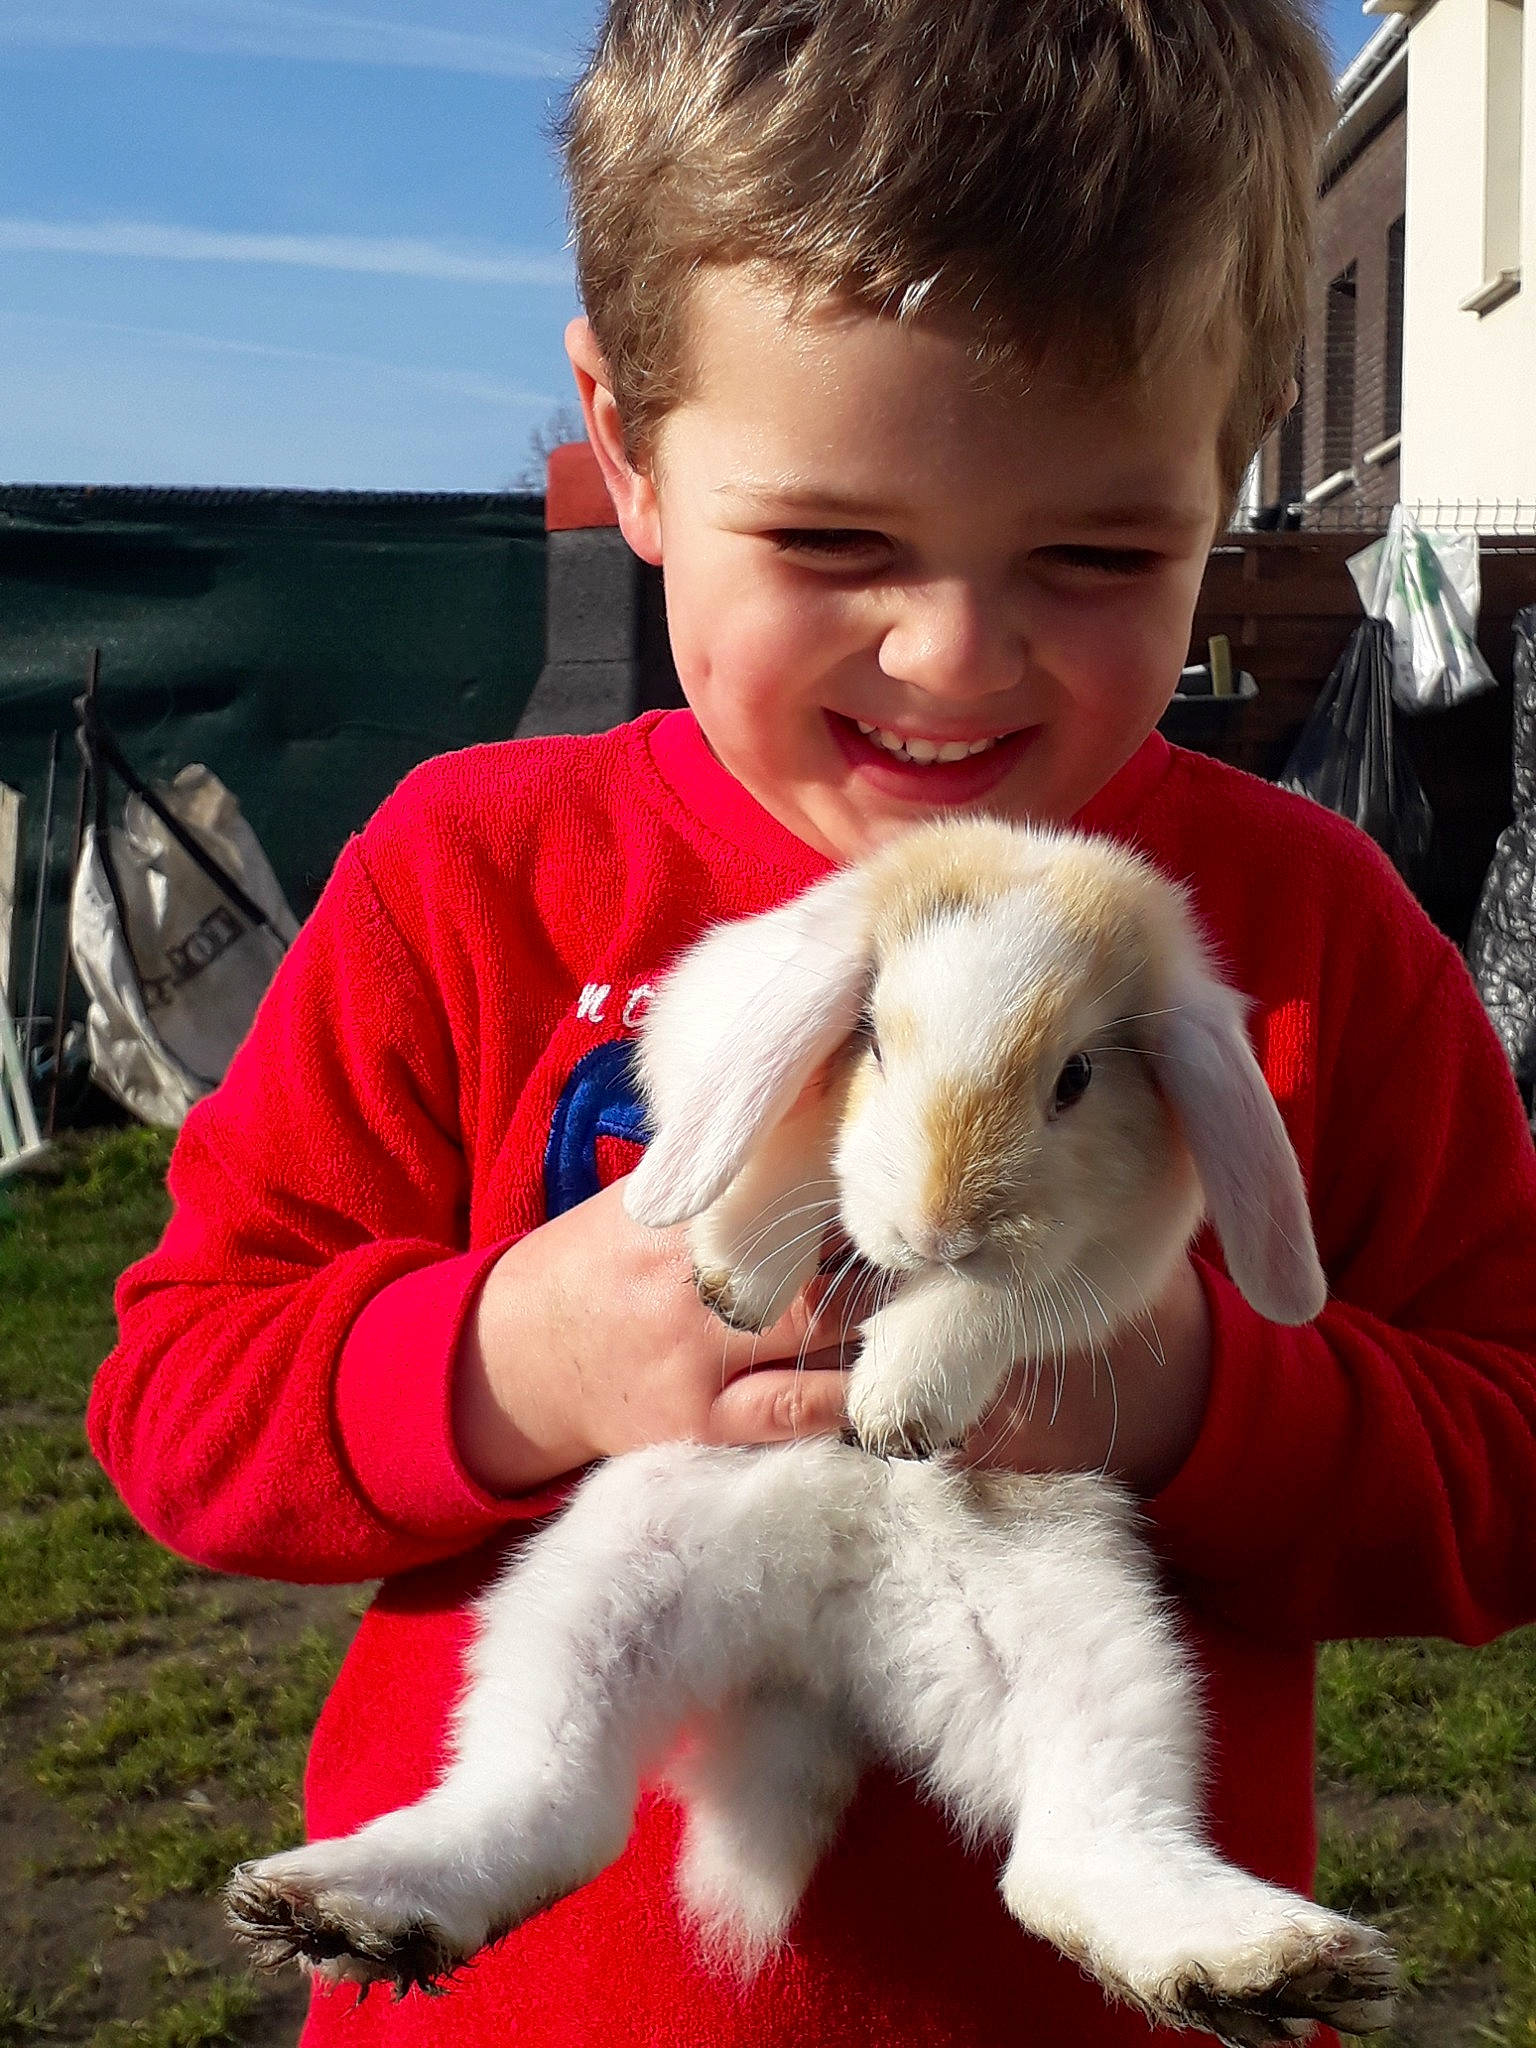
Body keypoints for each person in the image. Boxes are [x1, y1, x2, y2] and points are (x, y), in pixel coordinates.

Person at [88, 0, 1536, 2042]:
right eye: (831, 540)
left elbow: (1507, 1451)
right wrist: (522, 1357)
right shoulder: (474, 876)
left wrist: (1181, 1391)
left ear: (1239, 463)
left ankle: (1108, 1841)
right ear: (631, 453)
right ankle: (513, 1815)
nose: (953, 654)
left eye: (1101, 551)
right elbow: (180, 1398)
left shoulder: (1299, 934)